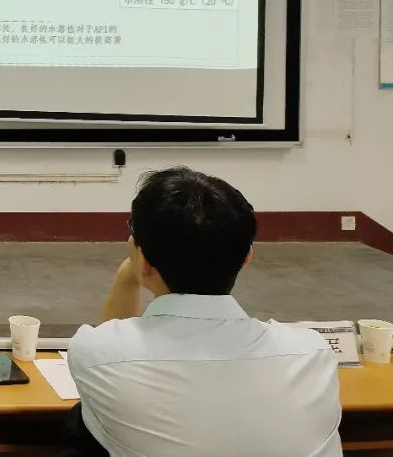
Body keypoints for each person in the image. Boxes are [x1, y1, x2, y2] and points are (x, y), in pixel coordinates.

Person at [65, 166, 342, 457]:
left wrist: (130, 274)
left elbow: (107, 353)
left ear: (142, 260)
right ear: (247, 256)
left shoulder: (95, 353)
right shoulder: (312, 353)